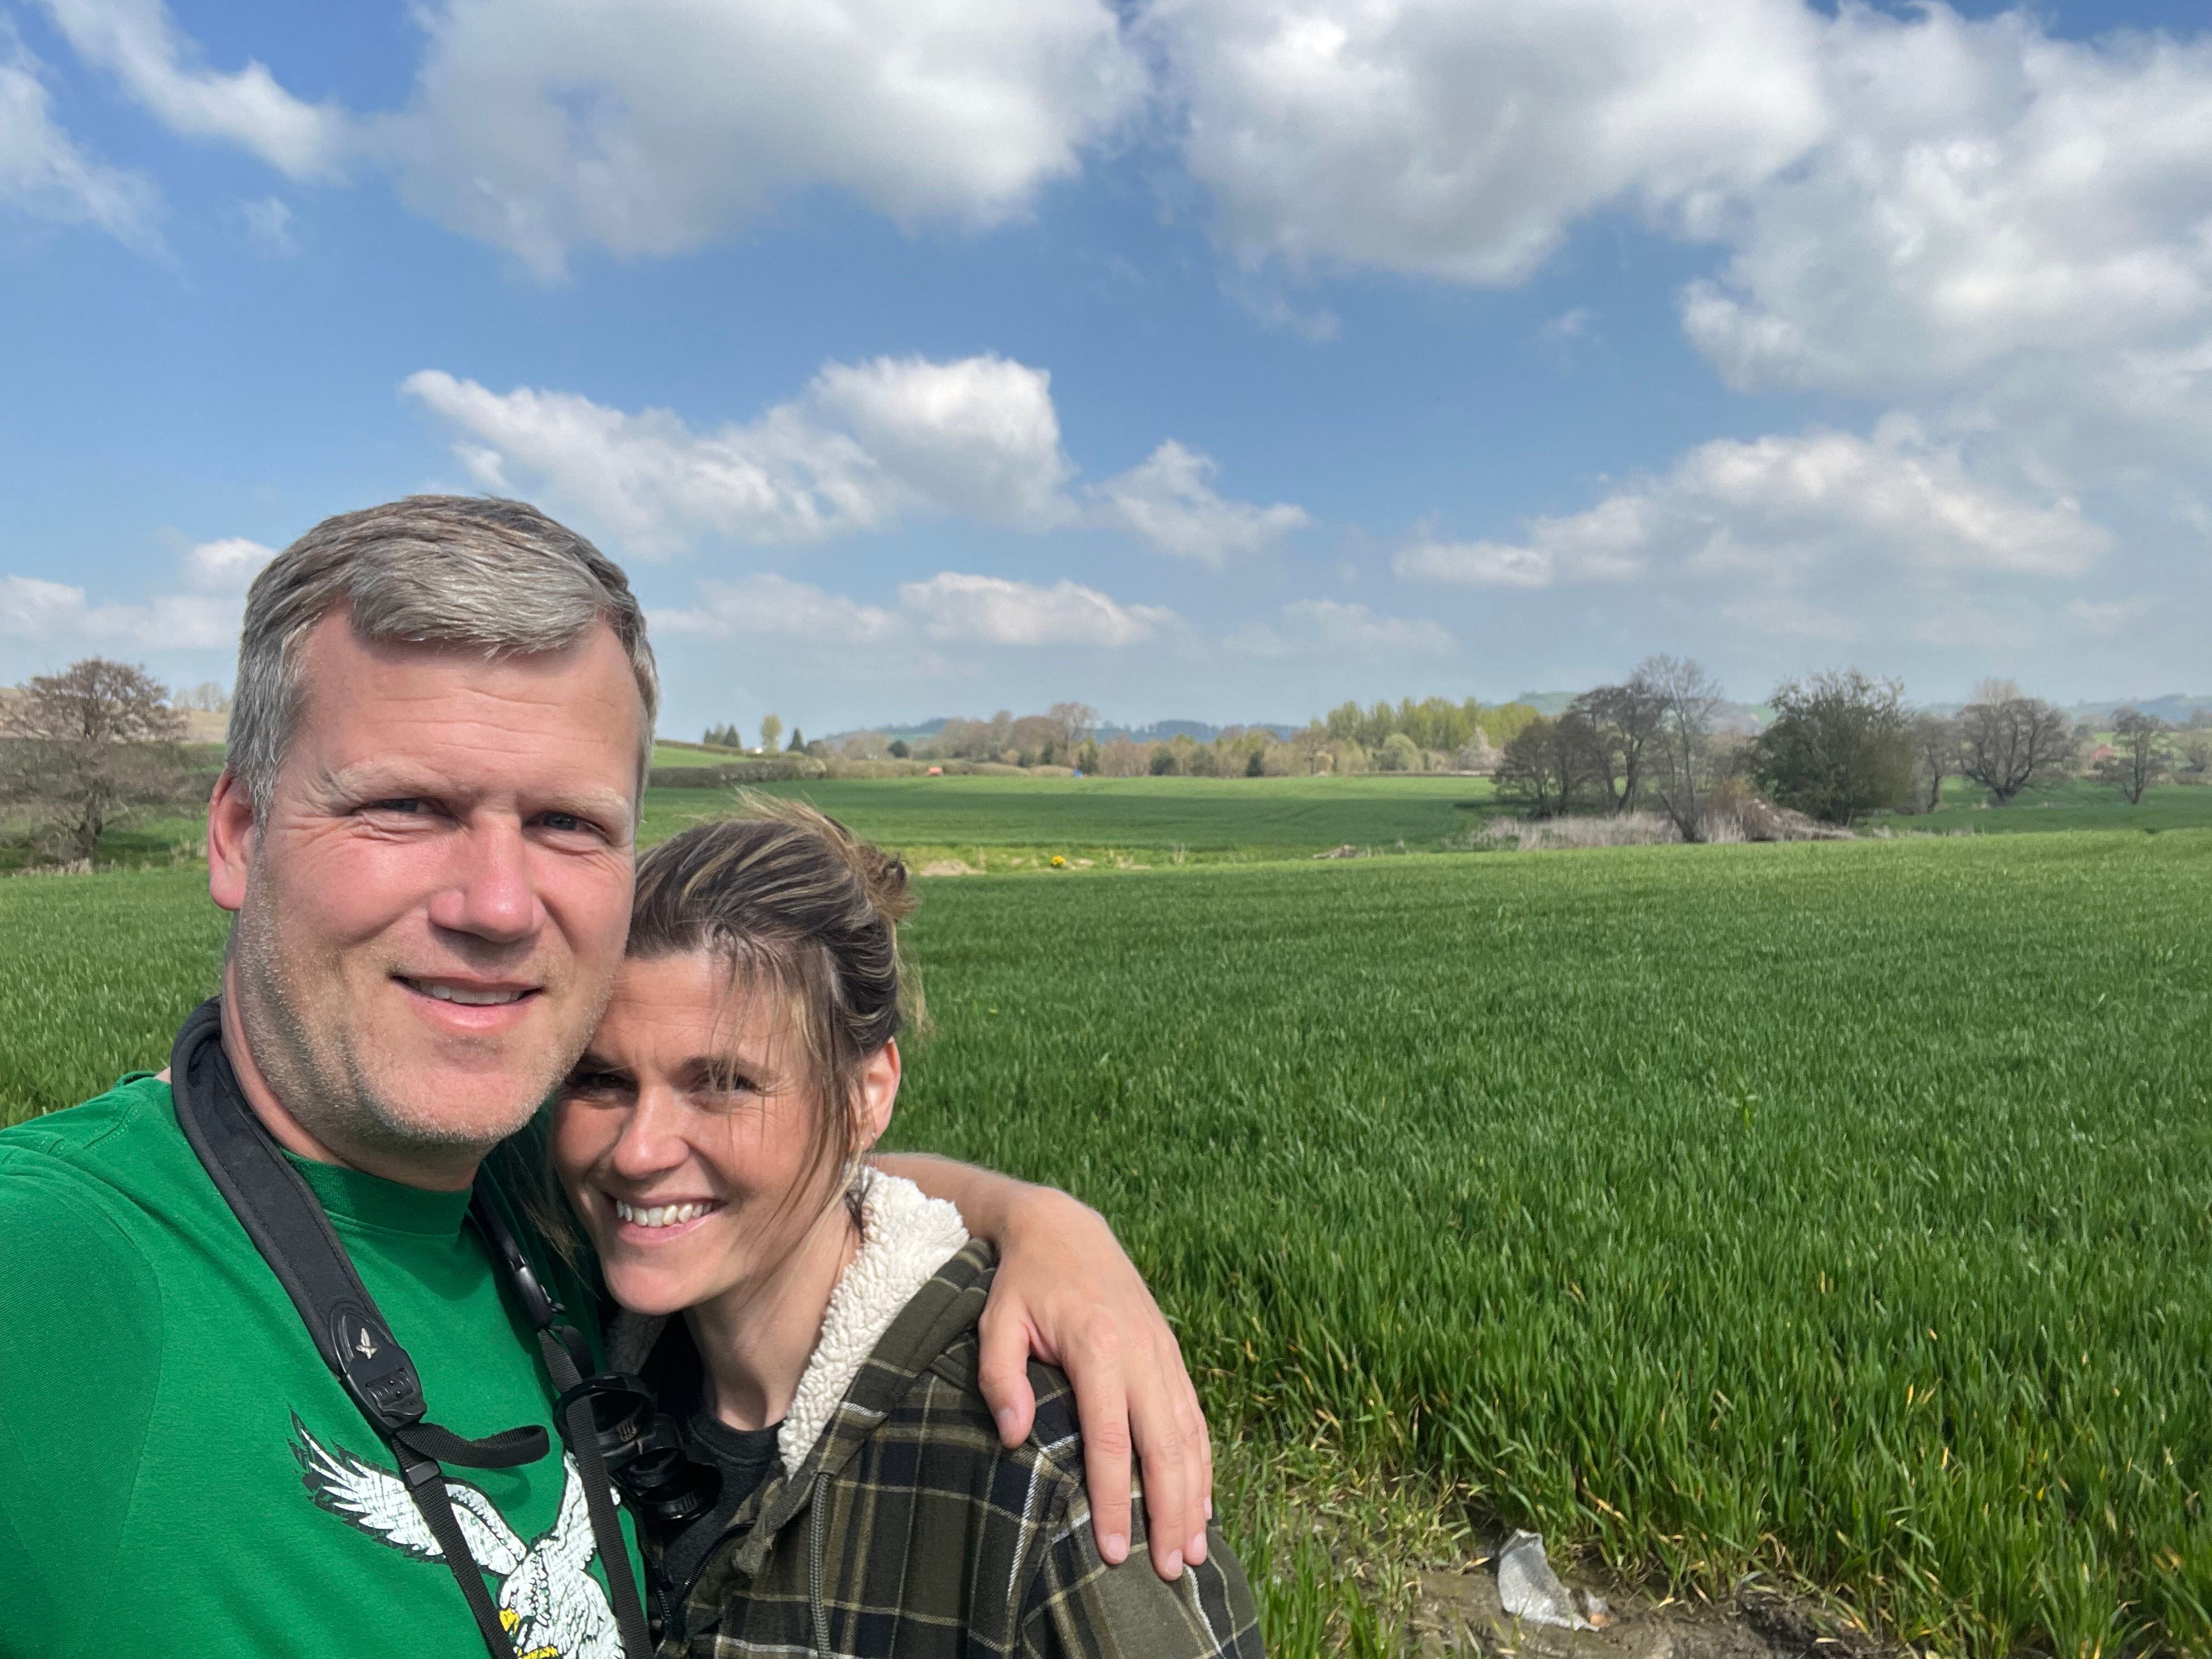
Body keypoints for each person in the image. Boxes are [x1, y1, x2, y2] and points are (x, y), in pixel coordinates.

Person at [0, 498, 1211, 1659]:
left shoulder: (556, 1216)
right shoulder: (63, 1269)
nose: (496, 904)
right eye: (407, 806)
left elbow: (769, 1183)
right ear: (238, 834)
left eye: (568, 825)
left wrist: (1041, 1225)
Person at [549, 801, 1261, 1656]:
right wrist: (1035, 1211)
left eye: (725, 1083)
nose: (639, 1150)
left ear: (866, 1093)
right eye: (600, 1079)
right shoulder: (575, 1356)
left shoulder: (1043, 1475)